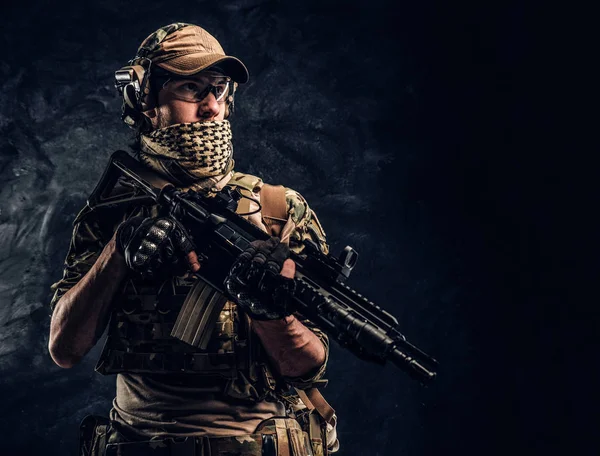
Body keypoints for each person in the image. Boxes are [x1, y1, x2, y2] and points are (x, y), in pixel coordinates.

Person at [48, 23, 337, 456]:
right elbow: (65, 349)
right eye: (190, 89)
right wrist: (118, 250)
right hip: (139, 444)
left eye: (219, 90)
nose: (210, 108)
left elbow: (305, 365)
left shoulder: (278, 210)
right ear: (144, 99)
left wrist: (268, 309)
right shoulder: (113, 210)